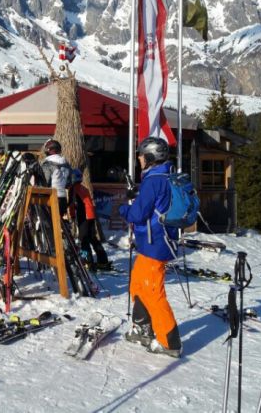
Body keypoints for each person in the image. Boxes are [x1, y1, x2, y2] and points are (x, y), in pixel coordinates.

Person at [119, 136, 182, 358]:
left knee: (153, 291)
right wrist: (138, 196)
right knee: (138, 284)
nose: (139, 159)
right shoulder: (164, 175)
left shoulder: (154, 180)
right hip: (152, 242)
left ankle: (169, 341)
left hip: (155, 243)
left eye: (142, 156)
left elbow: (138, 214)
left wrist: (124, 209)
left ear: (150, 157)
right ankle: (143, 328)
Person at [70, 168, 110, 270]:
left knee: (83, 239)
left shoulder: (73, 189)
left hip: (83, 215)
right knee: (93, 238)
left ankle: (87, 261)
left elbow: (72, 204)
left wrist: (72, 215)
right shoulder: (84, 188)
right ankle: (103, 260)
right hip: (91, 215)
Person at [39, 138, 72, 216]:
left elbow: (45, 182)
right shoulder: (66, 164)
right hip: (63, 199)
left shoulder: (47, 164)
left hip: (51, 199)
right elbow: (69, 183)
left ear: (49, 150)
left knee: (49, 225)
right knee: (60, 225)